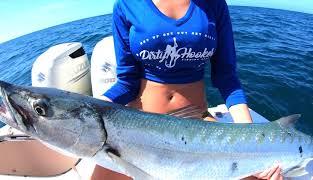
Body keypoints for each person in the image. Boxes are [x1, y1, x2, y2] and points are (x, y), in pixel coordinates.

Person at [94, 0, 283, 179]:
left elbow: (227, 79)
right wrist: (95, 106)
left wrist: (251, 142)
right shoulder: (126, 5)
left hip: (197, 125)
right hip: (138, 129)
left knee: (261, 176)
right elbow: (127, 82)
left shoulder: (214, 4)